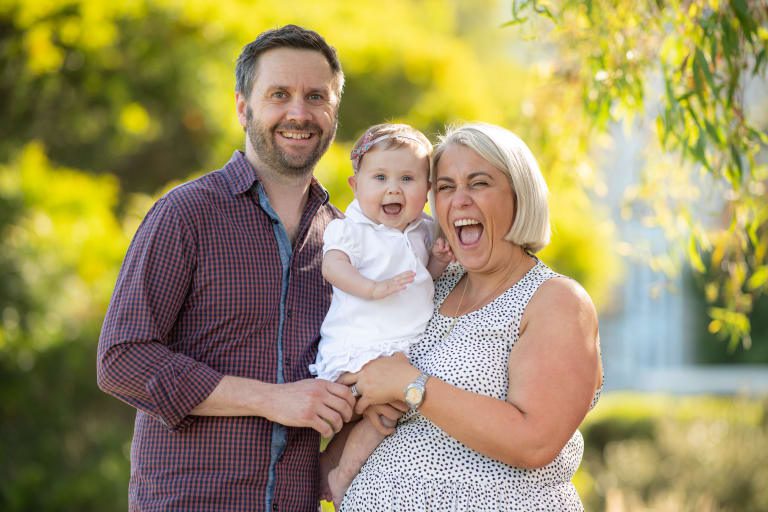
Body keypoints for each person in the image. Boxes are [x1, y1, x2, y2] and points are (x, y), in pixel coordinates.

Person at [97, 25, 356, 511]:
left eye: (316, 96)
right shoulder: (186, 214)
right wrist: (269, 399)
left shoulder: (345, 240)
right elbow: (121, 360)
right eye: (279, 94)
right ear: (243, 106)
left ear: (334, 112)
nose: (298, 113)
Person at [338, 122, 604, 510]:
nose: (458, 200)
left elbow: (535, 441)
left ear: (520, 195)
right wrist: (364, 390)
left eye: (478, 183)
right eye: (444, 187)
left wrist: (410, 385)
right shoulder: (431, 285)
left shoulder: (555, 300)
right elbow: (373, 374)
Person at [308, 123, 452, 505]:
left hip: (401, 349)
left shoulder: (422, 230)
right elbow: (333, 267)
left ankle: (337, 471)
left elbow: (421, 282)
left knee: (387, 412)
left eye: (407, 178)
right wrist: (370, 288)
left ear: (427, 190)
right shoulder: (352, 230)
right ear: (356, 186)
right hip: (361, 345)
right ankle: (337, 475)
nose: (393, 188)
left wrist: (436, 263)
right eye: (380, 178)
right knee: (382, 405)